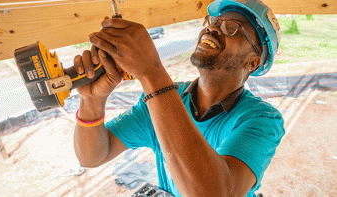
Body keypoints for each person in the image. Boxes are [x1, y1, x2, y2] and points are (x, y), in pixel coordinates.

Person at [73, 0, 284, 196]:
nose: (212, 28)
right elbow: (94, 156)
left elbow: (215, 193)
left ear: (253, 63)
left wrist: (151, 71)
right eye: (213, 22)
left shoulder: (262, 120)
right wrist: (92, 100)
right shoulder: (158, 103)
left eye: (231, 28)